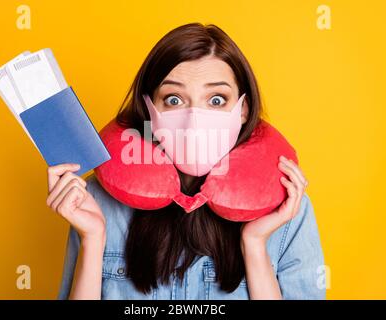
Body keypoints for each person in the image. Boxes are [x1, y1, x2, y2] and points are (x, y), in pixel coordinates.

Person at [49, 23, 325, 300]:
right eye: (173, 99)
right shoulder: (98, 201)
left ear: (243, 109)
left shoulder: (287, 211)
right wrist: (93, 239)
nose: (194, 121)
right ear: (149, 108)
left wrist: (254, 245)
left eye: (216, 100)